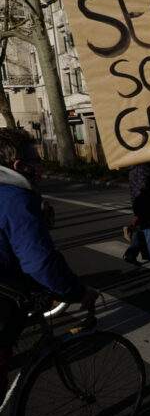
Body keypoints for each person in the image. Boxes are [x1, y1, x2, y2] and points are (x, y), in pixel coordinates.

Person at [0, 129, 99, 398]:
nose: (42, 167)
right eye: (38, 161)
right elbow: (40, 262)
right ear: (20, 167)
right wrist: (78, 292)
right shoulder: (15, 198)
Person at [123, 161, 150, 264]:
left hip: (140, 202)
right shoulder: (145, 166)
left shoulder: (135, 166)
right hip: (147, 202)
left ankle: (132, 254)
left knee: (147, 228)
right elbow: (147, 184)